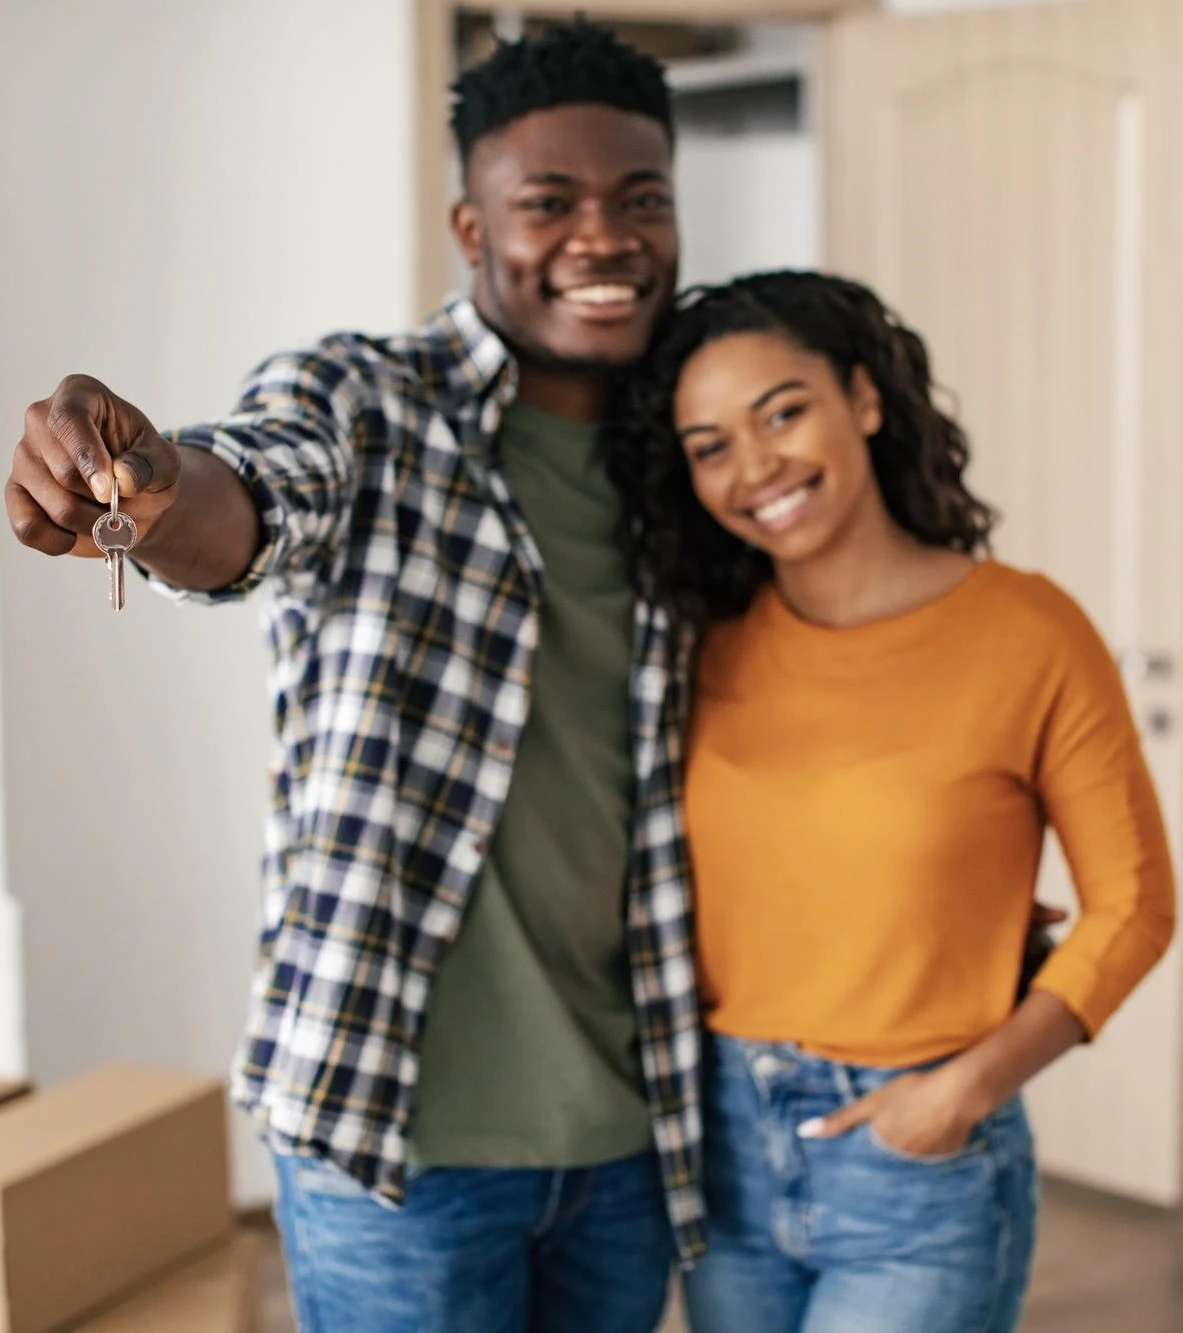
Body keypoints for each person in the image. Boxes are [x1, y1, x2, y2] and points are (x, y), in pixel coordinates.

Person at [6, 23, 700, 1333]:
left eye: (639, 199)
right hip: (396, 1141)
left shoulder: (697, 458)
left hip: (630, 1133)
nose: (601, 238)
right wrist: (152, 489)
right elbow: (259, 491)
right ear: (470, 223)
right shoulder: (368, 400)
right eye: (547, 203)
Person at [612, 269, 1176, 1333]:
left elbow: (1136, 901)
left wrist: (958, 1093)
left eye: (783, 412)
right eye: (710, 446)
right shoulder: (702, 647)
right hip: (722, 1145)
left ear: (863, 401)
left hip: (915, 1156)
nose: (756, 466)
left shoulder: (1026, 630)